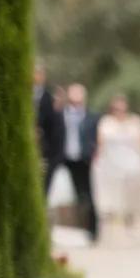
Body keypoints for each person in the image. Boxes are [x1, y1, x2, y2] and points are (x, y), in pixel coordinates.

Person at [93, 94, 140, 229]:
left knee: (135, 181)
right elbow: (101, 141)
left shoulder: (135, 120)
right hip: (111, 161)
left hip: (131, 160)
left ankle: (131, 213)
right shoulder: (106, 121)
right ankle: (113, 213)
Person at [60, 83, 100, 241]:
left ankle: (91, 231)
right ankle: (70, 230)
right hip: (65, 160)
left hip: (85, 160)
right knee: (67, 195)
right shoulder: (60, 115)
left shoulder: (93, 117)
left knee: (88, 196)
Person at [33, 62, 64, 192]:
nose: (35, 76)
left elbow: (57, 131)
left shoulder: (52, 100)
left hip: (45, 152)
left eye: (39, 73)